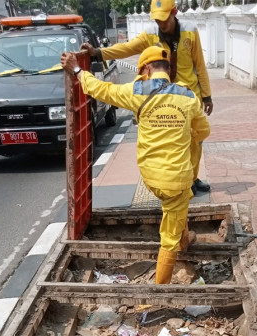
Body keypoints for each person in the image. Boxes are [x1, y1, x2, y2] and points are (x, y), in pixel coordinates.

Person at [61, 46, 210, 283]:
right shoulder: (188, 96)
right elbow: (203, 131)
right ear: (168, 70)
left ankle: (185, 238)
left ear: (147, 69)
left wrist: (77, 69)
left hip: (150, 177)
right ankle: (158, 293)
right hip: (178, 177)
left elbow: (99, 89)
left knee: (177, 205)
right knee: (170, 229)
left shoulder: (137, 90)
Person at [80, 0, 212, 194]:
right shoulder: (151, 33)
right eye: (157, 20)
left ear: (174, 12)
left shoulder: (190, 31)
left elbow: (199, 65)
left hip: (187, 95)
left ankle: (192, 178)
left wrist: (207, 96)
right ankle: (168, 179)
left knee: (195, 142)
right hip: (160, 96)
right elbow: (127, 48)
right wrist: (99, 53)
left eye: (164, 20)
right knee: (169, 141)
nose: (161, 24)